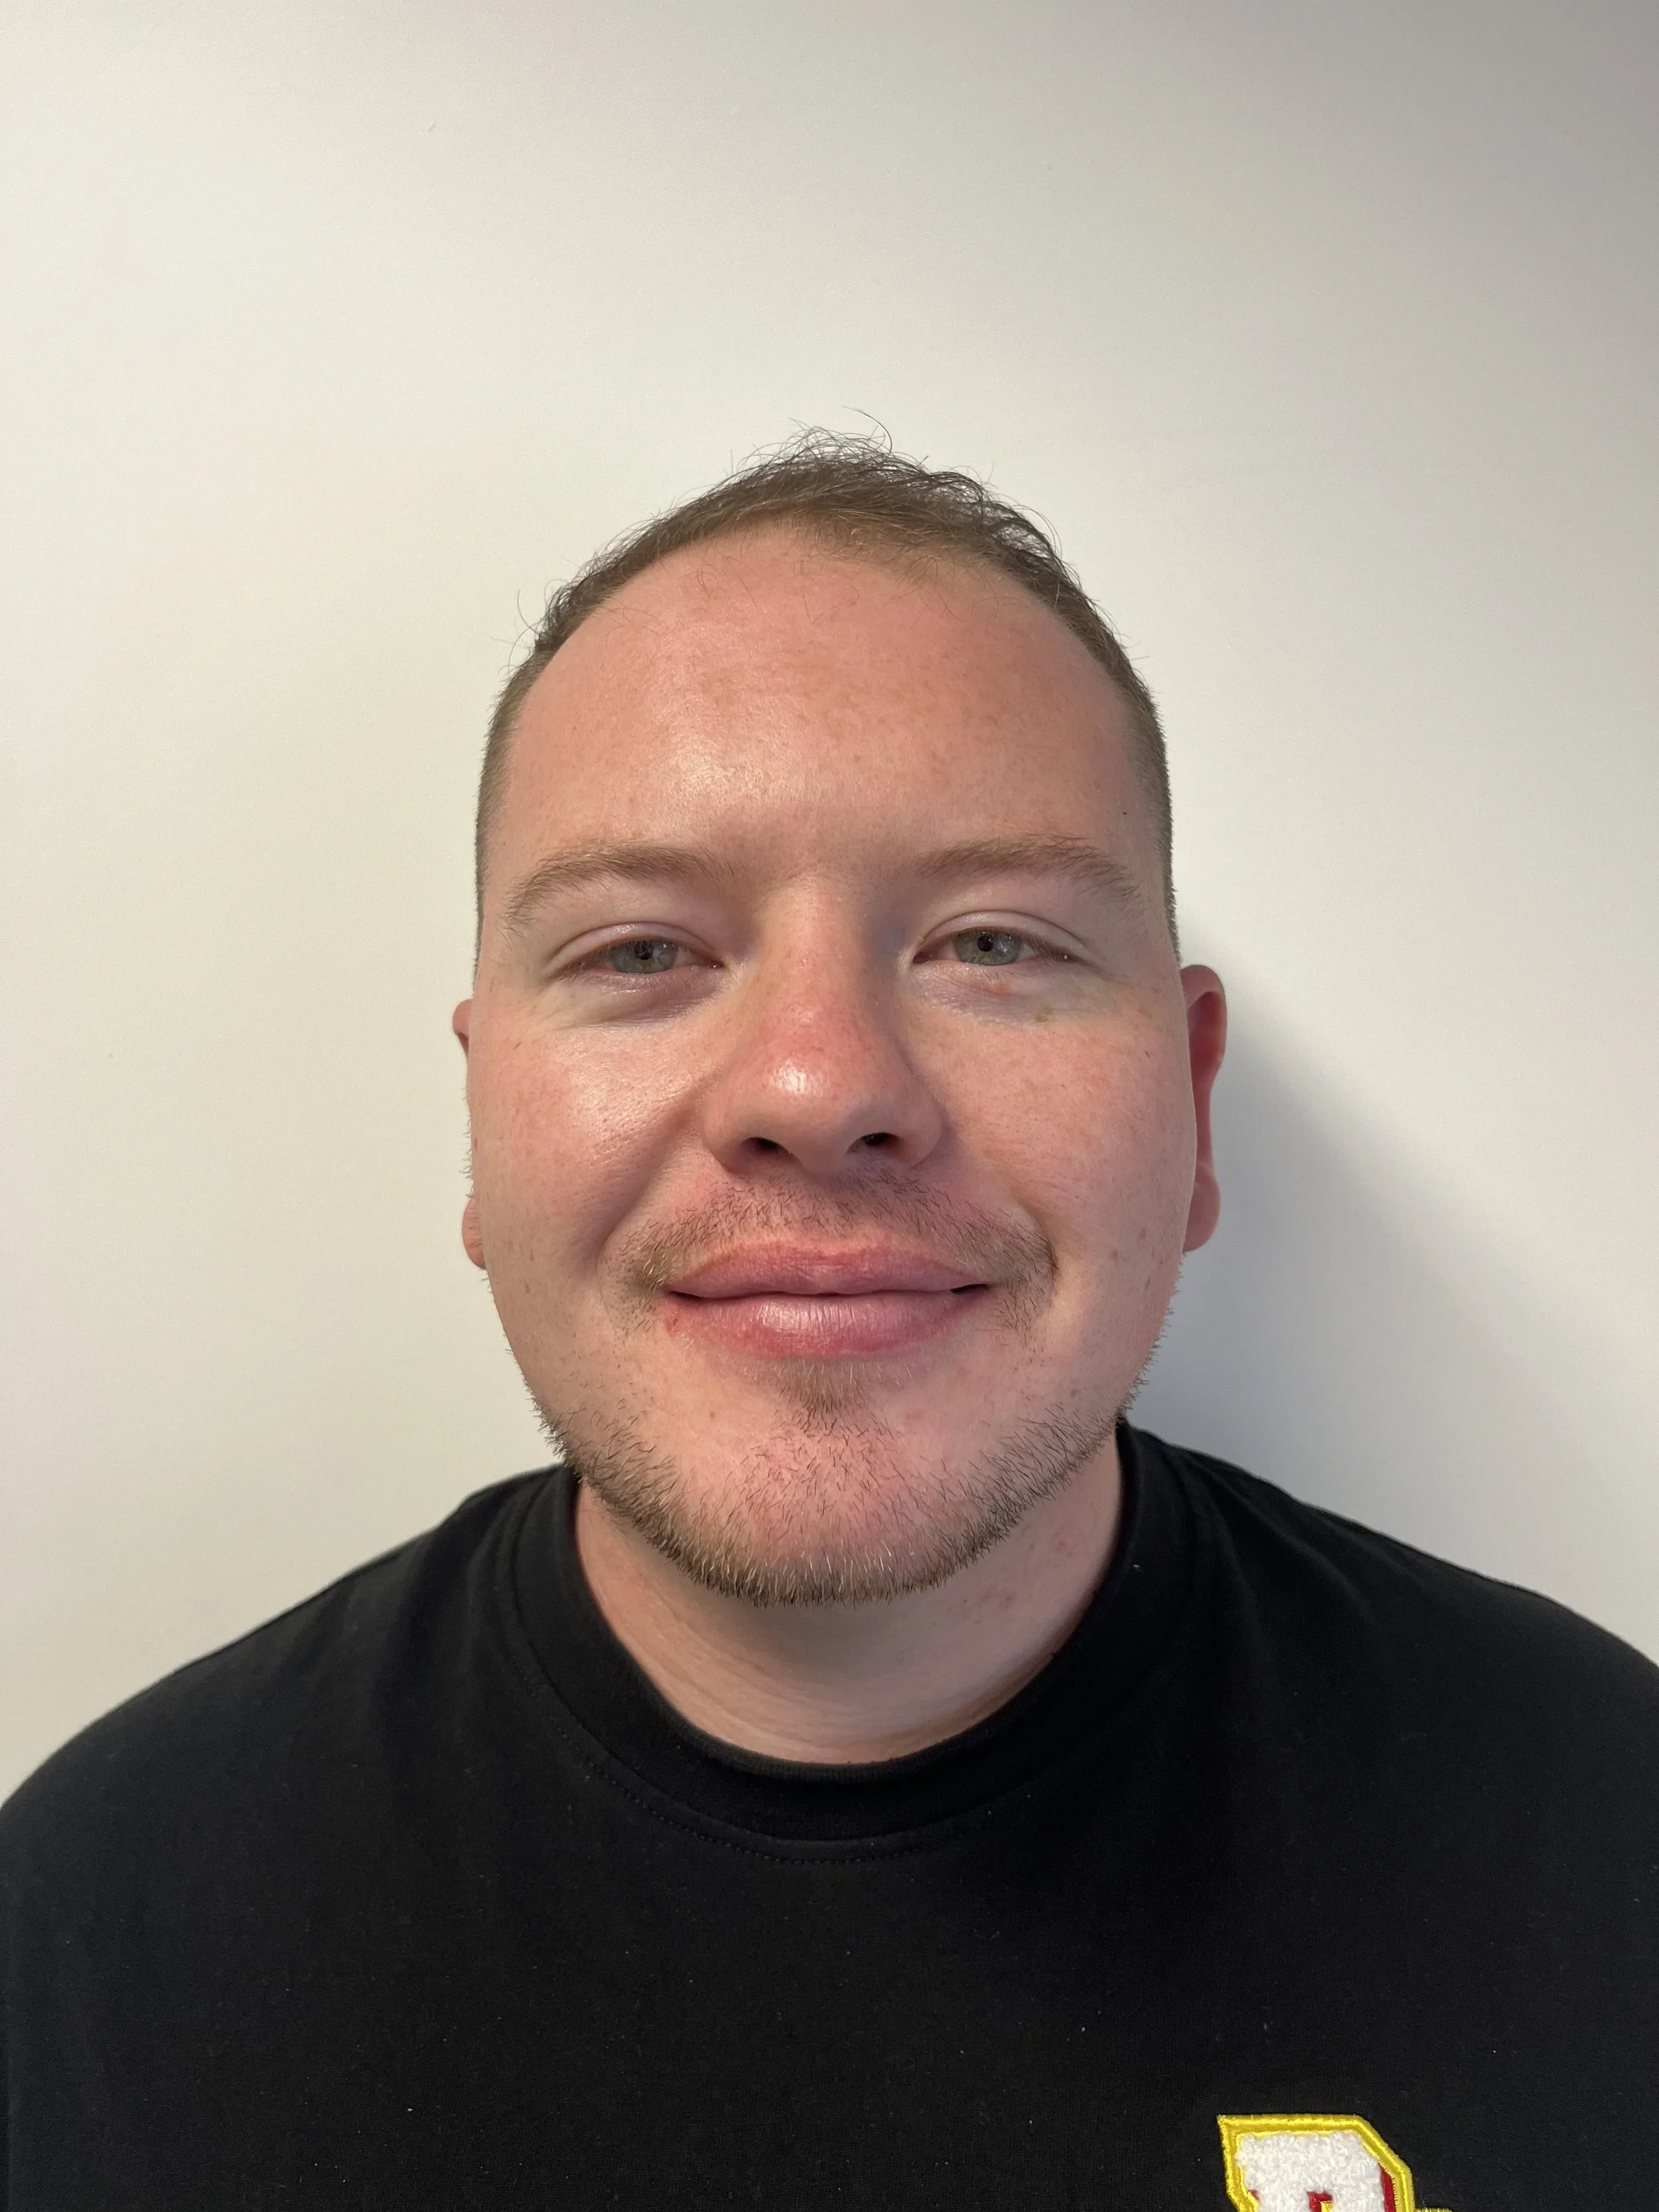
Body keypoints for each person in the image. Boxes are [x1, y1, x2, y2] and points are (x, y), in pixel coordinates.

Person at [2, 437, 1654, 2211]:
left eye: (993, 943)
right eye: (642, 952)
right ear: (484, 1129)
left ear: (1185, 1105)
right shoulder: (96, 1942)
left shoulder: (1602, 1836)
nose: (817, 1081)